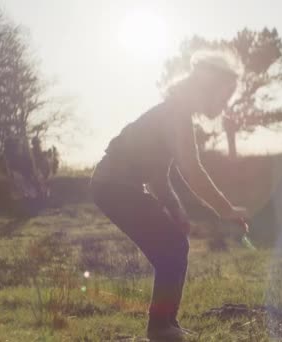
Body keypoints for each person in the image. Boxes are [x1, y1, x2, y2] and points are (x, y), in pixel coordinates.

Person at [90, 51, 248, 341]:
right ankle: (161, 329)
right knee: (173, 248)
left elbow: (157, 175)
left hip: (113, 186)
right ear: (208, 87)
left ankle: (165, 325)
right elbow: (193, 171)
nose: (225, 105)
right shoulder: (177, 115)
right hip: (114, 186)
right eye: (224, 96)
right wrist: (225, 210)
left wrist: (176, 210)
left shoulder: (173, 111)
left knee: (173, 248)